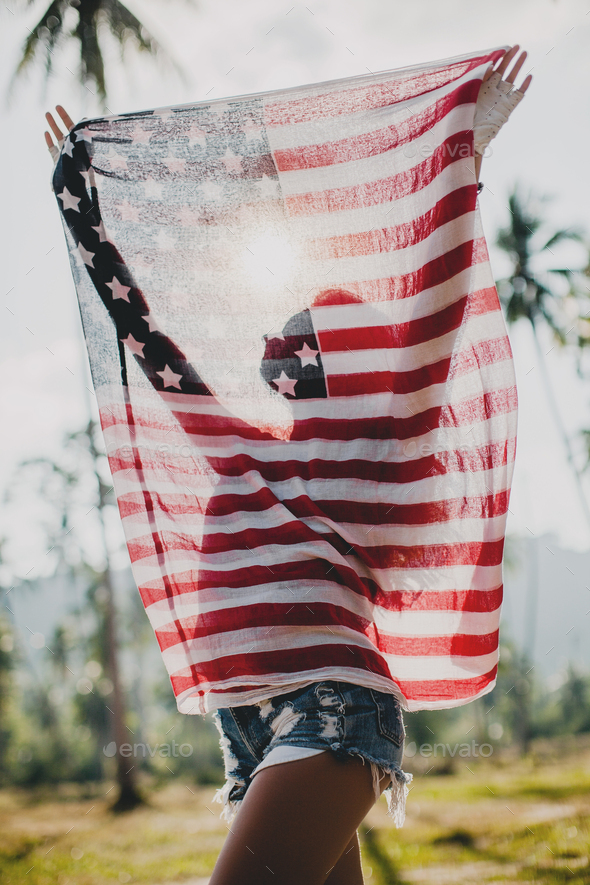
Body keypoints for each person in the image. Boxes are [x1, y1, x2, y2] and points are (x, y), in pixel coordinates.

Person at [44, 44, 532, 885]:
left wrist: (464, 155)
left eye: (309, 333)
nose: (286, 341)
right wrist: (84, 211)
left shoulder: (377, 453)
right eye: (290, 334)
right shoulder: (241, 446)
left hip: (328, 710)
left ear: (351, 365)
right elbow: (152, 346)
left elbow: (434, 318)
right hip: (251, 727)